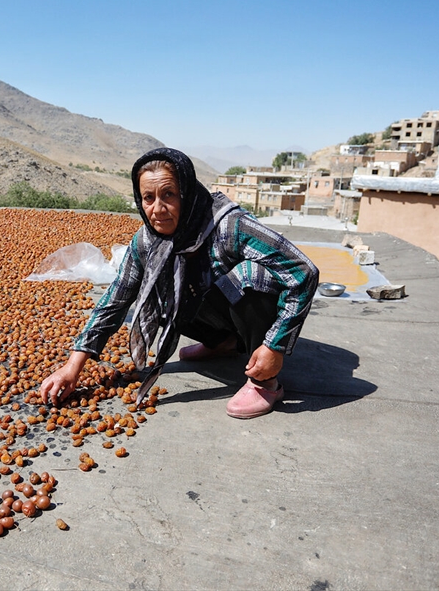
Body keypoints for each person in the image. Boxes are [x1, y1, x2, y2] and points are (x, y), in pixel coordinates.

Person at [39, 147, 319, 419]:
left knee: (250, 276)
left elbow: (303, 270)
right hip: (222, 311)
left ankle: (266, 382)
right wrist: (72, 366)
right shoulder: (146, 241)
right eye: (148, 198)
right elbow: (116, 299)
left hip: (255, 313)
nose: (158, 209)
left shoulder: (229, 225)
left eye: (169, 195)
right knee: (161, 290)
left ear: (187, 193)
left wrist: (275, 346)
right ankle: (222, 342)